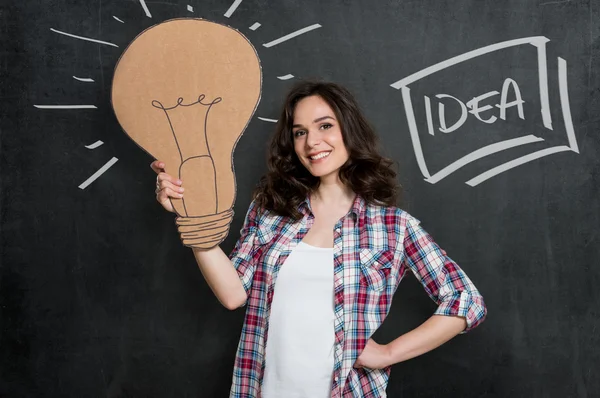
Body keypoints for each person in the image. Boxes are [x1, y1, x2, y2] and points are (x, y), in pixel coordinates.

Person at [151, 81, 487, 398]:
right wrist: (191, 215)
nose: (312, 142)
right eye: (300, 132)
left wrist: (388, 353)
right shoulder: (270, 212)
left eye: (325, 126)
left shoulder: (392, 227)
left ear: (349, 130)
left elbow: (466, 300)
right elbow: (233, 294)